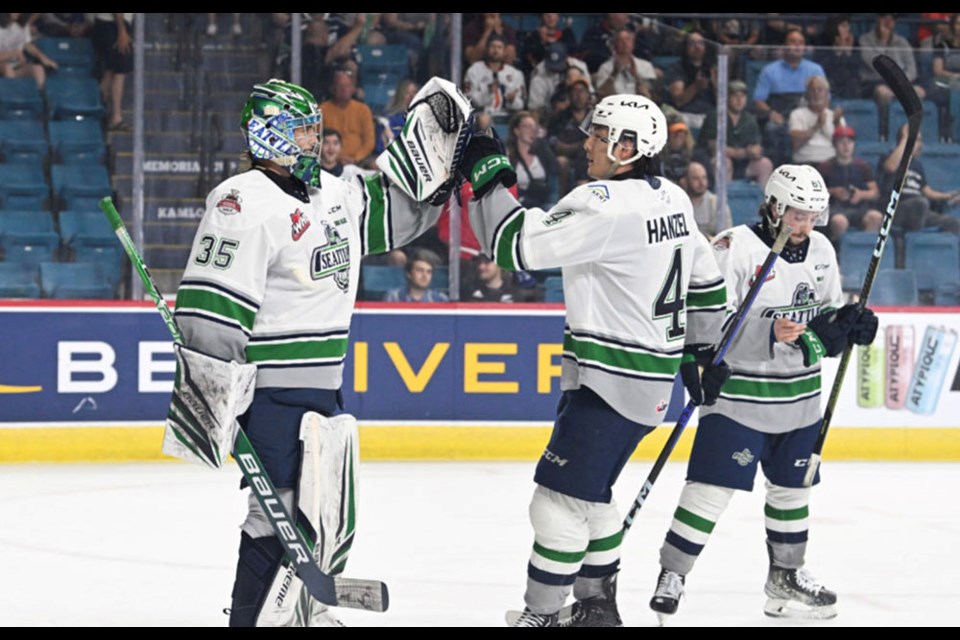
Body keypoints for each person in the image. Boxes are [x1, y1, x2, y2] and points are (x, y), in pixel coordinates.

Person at [170, 78, 459, 627]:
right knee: (271, 515)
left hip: (323, 385)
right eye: (304, 130)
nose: (315, 140)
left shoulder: (336, 191)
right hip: (272, 390)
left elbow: (402, 216)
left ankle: (303, 613)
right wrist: (215, 401)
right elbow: (209, 312)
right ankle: (252, 618)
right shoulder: (241, 202)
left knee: (323, 515)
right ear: (272, 135)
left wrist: (443, 175)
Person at [461, 94, 729, 627]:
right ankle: (597, 607)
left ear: (629, 147)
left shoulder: (605, 202)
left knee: (556, 506)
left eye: (600, 134)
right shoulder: (674, 199)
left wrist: (489, 177)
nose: (588, 142)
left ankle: (542, 615)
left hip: (608, 384)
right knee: (595, 498)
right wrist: (700, 353)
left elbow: (518, 248)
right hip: (651, 386)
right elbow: (707, 283)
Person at [649, 164, 879, 624]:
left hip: (800, 400)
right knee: (709, 491)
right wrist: (767, 331)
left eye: (813, 216)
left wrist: (846, 327)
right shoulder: (734, 247)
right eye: (797, 214)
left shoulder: (821, 249)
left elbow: (826, 314)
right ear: (774, 207)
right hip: (739, 397)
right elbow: (707, 322)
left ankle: (785, 579)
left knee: (792, 491)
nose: (805, 225)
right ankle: (672, 574)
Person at [752, 28, 826, 166]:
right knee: (772, 128)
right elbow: (758, 100)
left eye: (801, 42)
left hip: (807, 116)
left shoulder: (815, 70)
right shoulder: (769, 70)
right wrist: (771, 113)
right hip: (780, 116)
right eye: (793, 42)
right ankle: (779, 170)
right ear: (784, 46)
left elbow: (825, 98)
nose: (797, 45)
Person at [878, 123, 960, 235]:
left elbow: (926, 191)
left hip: (919, 211)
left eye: (920, 140)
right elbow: (891, 167)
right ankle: (912, 241)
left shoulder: (917, 165)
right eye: (916, 140)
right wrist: (905, 140)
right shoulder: (888, 157)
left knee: (953, 223)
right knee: (921, 203)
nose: (920, 144)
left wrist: (948, 196)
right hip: (896, 210)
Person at [858, 14, 926, 141]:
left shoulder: (902, 42)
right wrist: (884, 42)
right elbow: (876, 63)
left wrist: (899, 81)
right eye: (885, 18)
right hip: (873, 82)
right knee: (883, 93)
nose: (888, 22)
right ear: (878, 19)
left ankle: (915, 134)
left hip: (900, 82)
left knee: (919, 92)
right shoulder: (865, 40)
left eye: (892, 19)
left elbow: (912, 70)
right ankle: (884, 133)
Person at [698, 79, 773, 187]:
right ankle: (723, 201)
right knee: (724, 162)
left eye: (742, 96)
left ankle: (761, 201)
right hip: (713, 163)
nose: (739, 100)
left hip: (743, 164)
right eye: (735, 96)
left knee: (765, 164)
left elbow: (756, 147)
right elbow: (714, 148)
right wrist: (744, 152)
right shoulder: (715, 116)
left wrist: (755, 152)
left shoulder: (749, 119)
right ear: (727, 97)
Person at [818, 124, 883, 246]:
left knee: (875, 217)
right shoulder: (825, 167)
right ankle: (839, 254)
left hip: (859, 208)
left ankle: (865, 252)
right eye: (841, 142)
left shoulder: (863, 166)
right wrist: (834, 192)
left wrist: (861, 195)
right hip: (835, 209)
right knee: (839, 221)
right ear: (835, 145)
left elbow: (875, 192)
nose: (846, 146)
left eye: (849, 142)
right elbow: (816, 192)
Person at [319, 69, 376, 167]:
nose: (344, 89)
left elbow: (369, 142)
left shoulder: (363, 110)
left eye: (348, 86)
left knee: (377, 166)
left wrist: (355, 158)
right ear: (332, 88)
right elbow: (315, 140)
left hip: (359, 161)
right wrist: (335, 158)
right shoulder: (322, 110)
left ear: (353, 89)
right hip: (328, 160)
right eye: (340, 86)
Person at [463, 32, 526, 119]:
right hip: (480, 116)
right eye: (492, 46)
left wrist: (512, 100)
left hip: (508, 117)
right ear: (487, 49)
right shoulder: (474, 70)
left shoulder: (515, 74)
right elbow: (469, 100)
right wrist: (488, 92)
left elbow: (521, 104)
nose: (495, 50)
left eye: (499, 47)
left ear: (504, 51)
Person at [663, 30, 717, 132]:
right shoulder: (677, 68)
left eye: (701, 43)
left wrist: (715, 84)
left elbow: (722, 103)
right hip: (684, 115)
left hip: (709, 115)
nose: (697, 47)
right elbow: (678, 101)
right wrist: (696, 86)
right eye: (692, 43)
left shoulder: (711, 68)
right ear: (686, 47)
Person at [506, 111, 559, 210]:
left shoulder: (543, 151)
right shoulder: (509, 156)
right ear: (517, 130)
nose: (532, 131)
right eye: (527, 126)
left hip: (542, 204)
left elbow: (554, 177)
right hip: (517, 205)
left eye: (534, 127)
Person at [91, 13, 134, 131]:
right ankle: (116, 117)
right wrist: (122, 31)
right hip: (114, 24)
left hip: (106, 24)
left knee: (111, 70)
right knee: (120, 70)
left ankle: (98, 104)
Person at [788, 75, 842, 166]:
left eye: (820, 90)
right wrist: (817, 126)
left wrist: (837, 123)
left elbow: (843, 146)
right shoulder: (797, 114)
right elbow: (795, 144)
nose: (816, 93)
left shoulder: (834, 116)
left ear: (827, 94)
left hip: (831, 163)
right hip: (805, 162)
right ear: (807, 94)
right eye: (812, 90)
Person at [592, 28, 658, 101]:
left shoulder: (645, 66)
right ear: (615, 44)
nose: (624, 43)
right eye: (620, 40)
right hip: (616, 106)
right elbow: (601, 95)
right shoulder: (605, 68)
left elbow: (650, 94)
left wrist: (636, 77)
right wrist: (614, 73)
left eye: (628, 39)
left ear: (633, 43)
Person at [0, 12, 59, 90]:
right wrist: (14, 53)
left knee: (38, 69)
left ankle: (42, 98)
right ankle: (13, 99)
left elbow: (27, 44)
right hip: (3, 65)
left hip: (17, 65)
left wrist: (43, 58)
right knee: (8, 69)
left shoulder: (23, 26)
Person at [812, 14, 862, 101]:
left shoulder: (855, 43)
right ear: (834, 27)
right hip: (829, 79)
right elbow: (822, 67)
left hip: (849, 82)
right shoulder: (821, 40)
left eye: (848, 26)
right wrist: (837, 52)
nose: (847, 29)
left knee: (853, 83)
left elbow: (857, 68)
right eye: (843, 26)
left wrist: (848, 52)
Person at [683, 161, 732, 238]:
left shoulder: (718, 205)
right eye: (696, 178)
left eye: (704, 177)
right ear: (685, 180)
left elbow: (727, 236)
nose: (701, 183)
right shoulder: (680, 204)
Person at [383, 249, 449, 302]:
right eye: (420, 270)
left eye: (429, 272)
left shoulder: (440, 299)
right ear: (408, 273)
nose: (425, 275)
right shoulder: (394, 297)